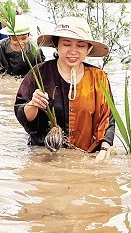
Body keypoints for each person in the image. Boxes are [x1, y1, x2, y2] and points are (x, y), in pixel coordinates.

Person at [14, 16, 115, 158]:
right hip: (45, 156)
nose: (73, 51)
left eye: (80, 45)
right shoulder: (39, 73)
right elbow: (21, 113)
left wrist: (104, 149)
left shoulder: (98, 77)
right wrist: (33, 104)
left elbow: (108, 118)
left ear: (88, 49)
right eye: (66, 44)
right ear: (57, 45)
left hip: (86, 157)